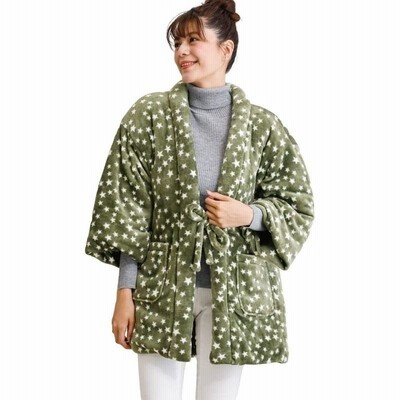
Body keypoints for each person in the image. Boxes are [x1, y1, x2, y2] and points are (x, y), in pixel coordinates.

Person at [84, 0, 314, 399]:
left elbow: (297, 204)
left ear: (226, 49)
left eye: (194, 40)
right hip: (159, 288)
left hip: (236, 294)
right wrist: (125, 292)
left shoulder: (262, 126)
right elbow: (128, 210)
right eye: (177, 42)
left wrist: (250, 214)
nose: (182, 51)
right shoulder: (149, 116)